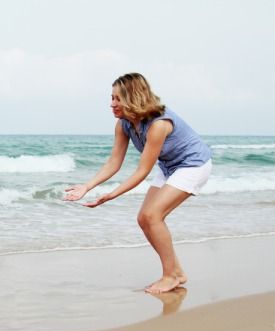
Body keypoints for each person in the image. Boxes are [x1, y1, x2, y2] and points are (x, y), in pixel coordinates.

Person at [64, 73, 212, 294]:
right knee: (144, 218)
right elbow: (114, 162)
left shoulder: (159, 124)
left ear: (134, 97)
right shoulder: (123, 124)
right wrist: (87, 186)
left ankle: (170, 276)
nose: (112, 104)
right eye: (111, 97)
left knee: (153, 216)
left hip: (192, 165)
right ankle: (176, 272)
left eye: (117, 98)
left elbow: (142, 171)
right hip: (169, 166)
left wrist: (112, 194)